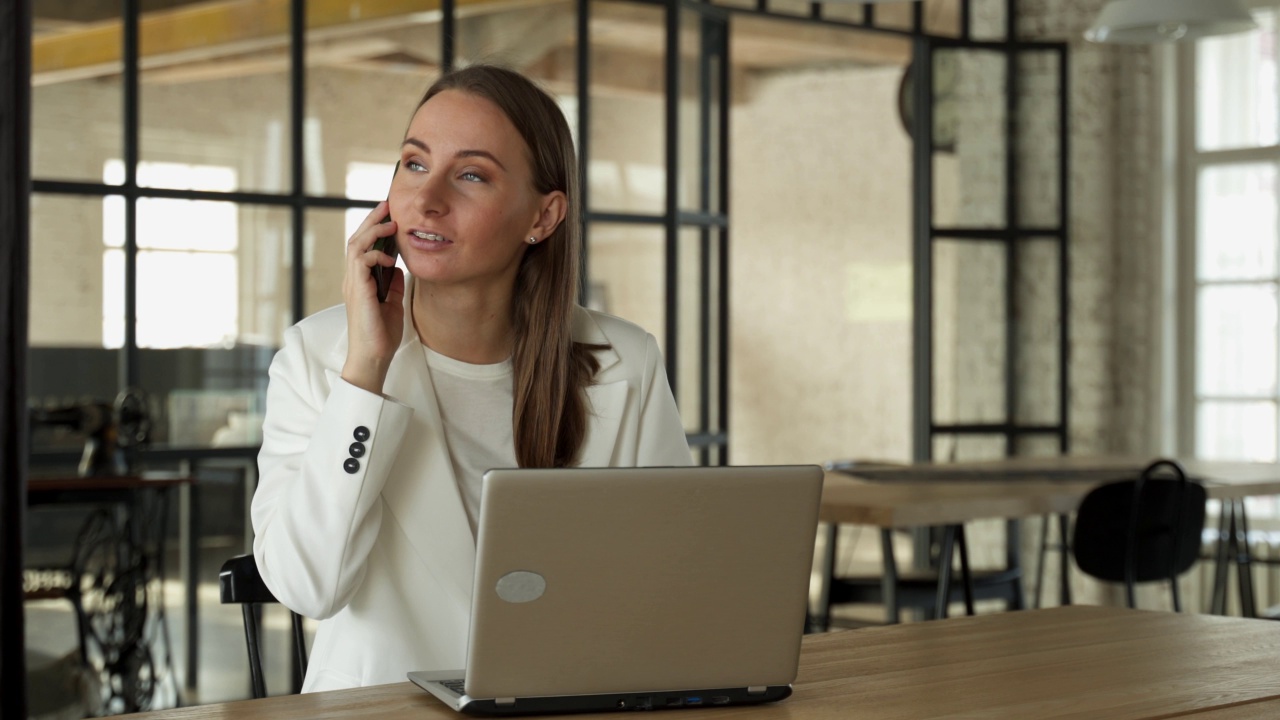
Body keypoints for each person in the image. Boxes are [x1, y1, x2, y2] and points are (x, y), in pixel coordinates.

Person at [250, 64, 692, 692]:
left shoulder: (627, 360)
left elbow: (670, 581)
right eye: (413, 164)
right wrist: (365, 376)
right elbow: (306, 587)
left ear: (543, 216)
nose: (427, 200)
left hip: (567, 701)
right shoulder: (317, 356)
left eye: (471, 175)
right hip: (384, 707)